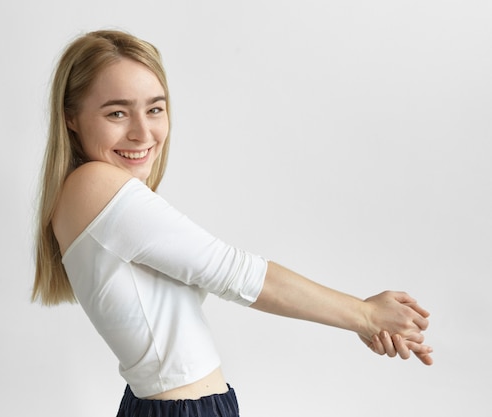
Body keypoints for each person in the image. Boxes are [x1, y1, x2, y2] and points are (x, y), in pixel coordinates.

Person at [32, 30, 433, 417]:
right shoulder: (93, 185)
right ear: (71, 118)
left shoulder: (91, 194)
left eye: (155, 108)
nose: (143, 132)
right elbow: (234, 272)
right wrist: (363, 315)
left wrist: (366, 318)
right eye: (117, 112)